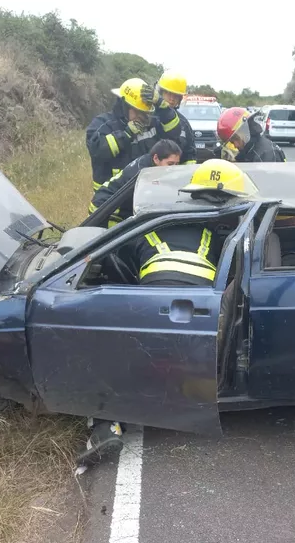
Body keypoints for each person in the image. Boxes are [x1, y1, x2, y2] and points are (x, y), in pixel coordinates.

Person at [76, 160, 257, 467]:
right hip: (200, 316)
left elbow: (119, 266)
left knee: (113, 365)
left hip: (153, 308)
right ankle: (179, 388)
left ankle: (107, 426)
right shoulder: (220, 236)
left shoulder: (153, 226)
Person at [85, 77, 163, 192]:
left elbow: (175, 134)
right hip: (110, 196)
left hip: (141, 192)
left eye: (145, 112)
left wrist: (162, 104)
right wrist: (126, 134)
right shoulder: (102, 123)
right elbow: (97, 151)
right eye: (138, 111)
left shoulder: (149, 124)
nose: (142, 116)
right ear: (124, 107)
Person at [87, 139, 182, 226]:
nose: (173, 168)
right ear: (156, 158)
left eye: (177, 164)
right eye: (170, 164)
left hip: (118, 208)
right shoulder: (143, 174)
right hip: (106, 210)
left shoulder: (150, 163)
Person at [148, 71, 198, 164]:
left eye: (176, 95)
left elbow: (190, 154)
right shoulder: (149, 117)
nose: (172, 98)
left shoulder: (183, 123)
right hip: (150, 175)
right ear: (160, 92)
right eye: (168, 93)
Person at [216, 107, 286, 163]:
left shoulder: (266, 155)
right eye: (232, 142)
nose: (235, 145)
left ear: (245, 129)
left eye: (236, 139)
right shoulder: (249, 152)